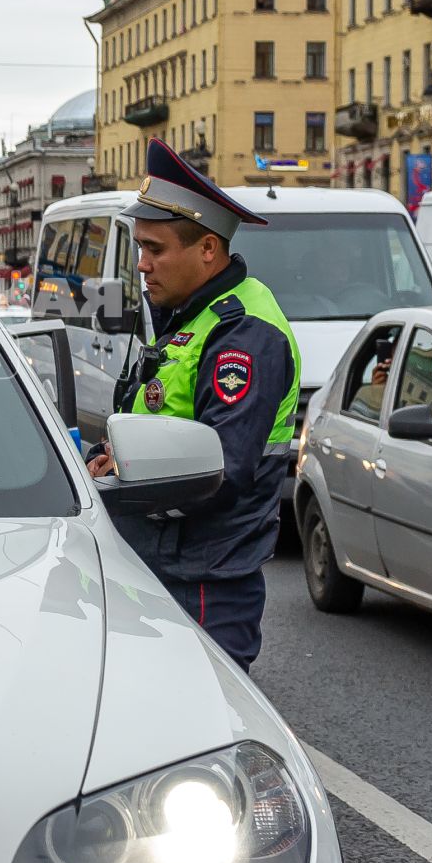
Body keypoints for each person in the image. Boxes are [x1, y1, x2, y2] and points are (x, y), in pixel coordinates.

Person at [85, 138, 299, 673]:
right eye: (140, 247)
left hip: (204, 580)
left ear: (207, 248)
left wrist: (126, 480)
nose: (141, 264)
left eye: (155, 249)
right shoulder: (190, 315)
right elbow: (153, 422)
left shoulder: (241, 333)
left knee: (198, 736)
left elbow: (221, 468)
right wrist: (101, 455)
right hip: (164, 564)